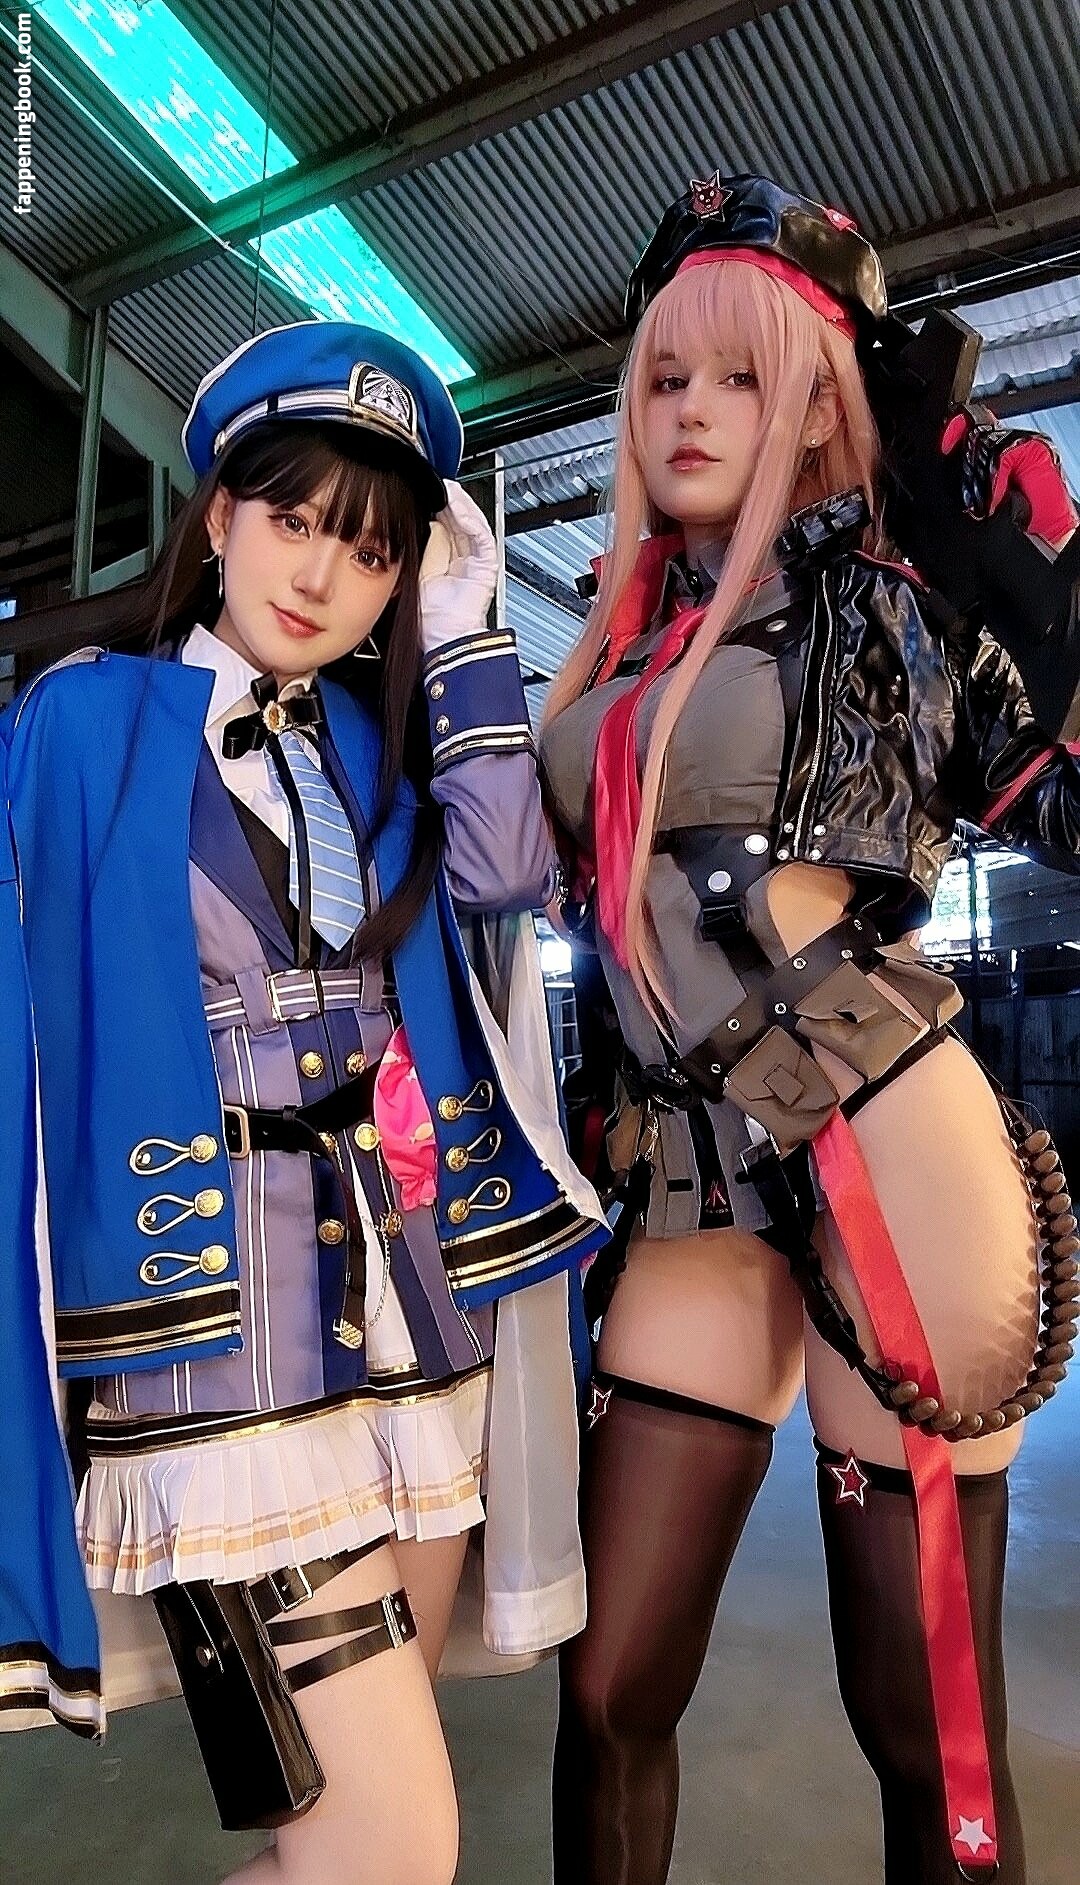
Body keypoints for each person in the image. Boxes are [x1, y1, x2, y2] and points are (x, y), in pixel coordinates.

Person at [0, 319, 606, 1885]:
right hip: (213, 1360)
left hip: (413, 1334)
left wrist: (465, 633)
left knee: (344, 1849)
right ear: (219, 513)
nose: (323, 575)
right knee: (391, 1847)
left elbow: (507, 875)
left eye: (375, 552)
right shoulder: (84, 719)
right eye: (293, 519)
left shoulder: (372, 747)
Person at [540, 175, 1080, 1884]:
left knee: (920, 1720)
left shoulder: (897, 594)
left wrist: (1029, 574)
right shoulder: (613, 634)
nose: (692, 409)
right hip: (687, 1174)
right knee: (608, 1687)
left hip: (890, 1143)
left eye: (744, 374)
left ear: (822, 398)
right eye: (665, 376)